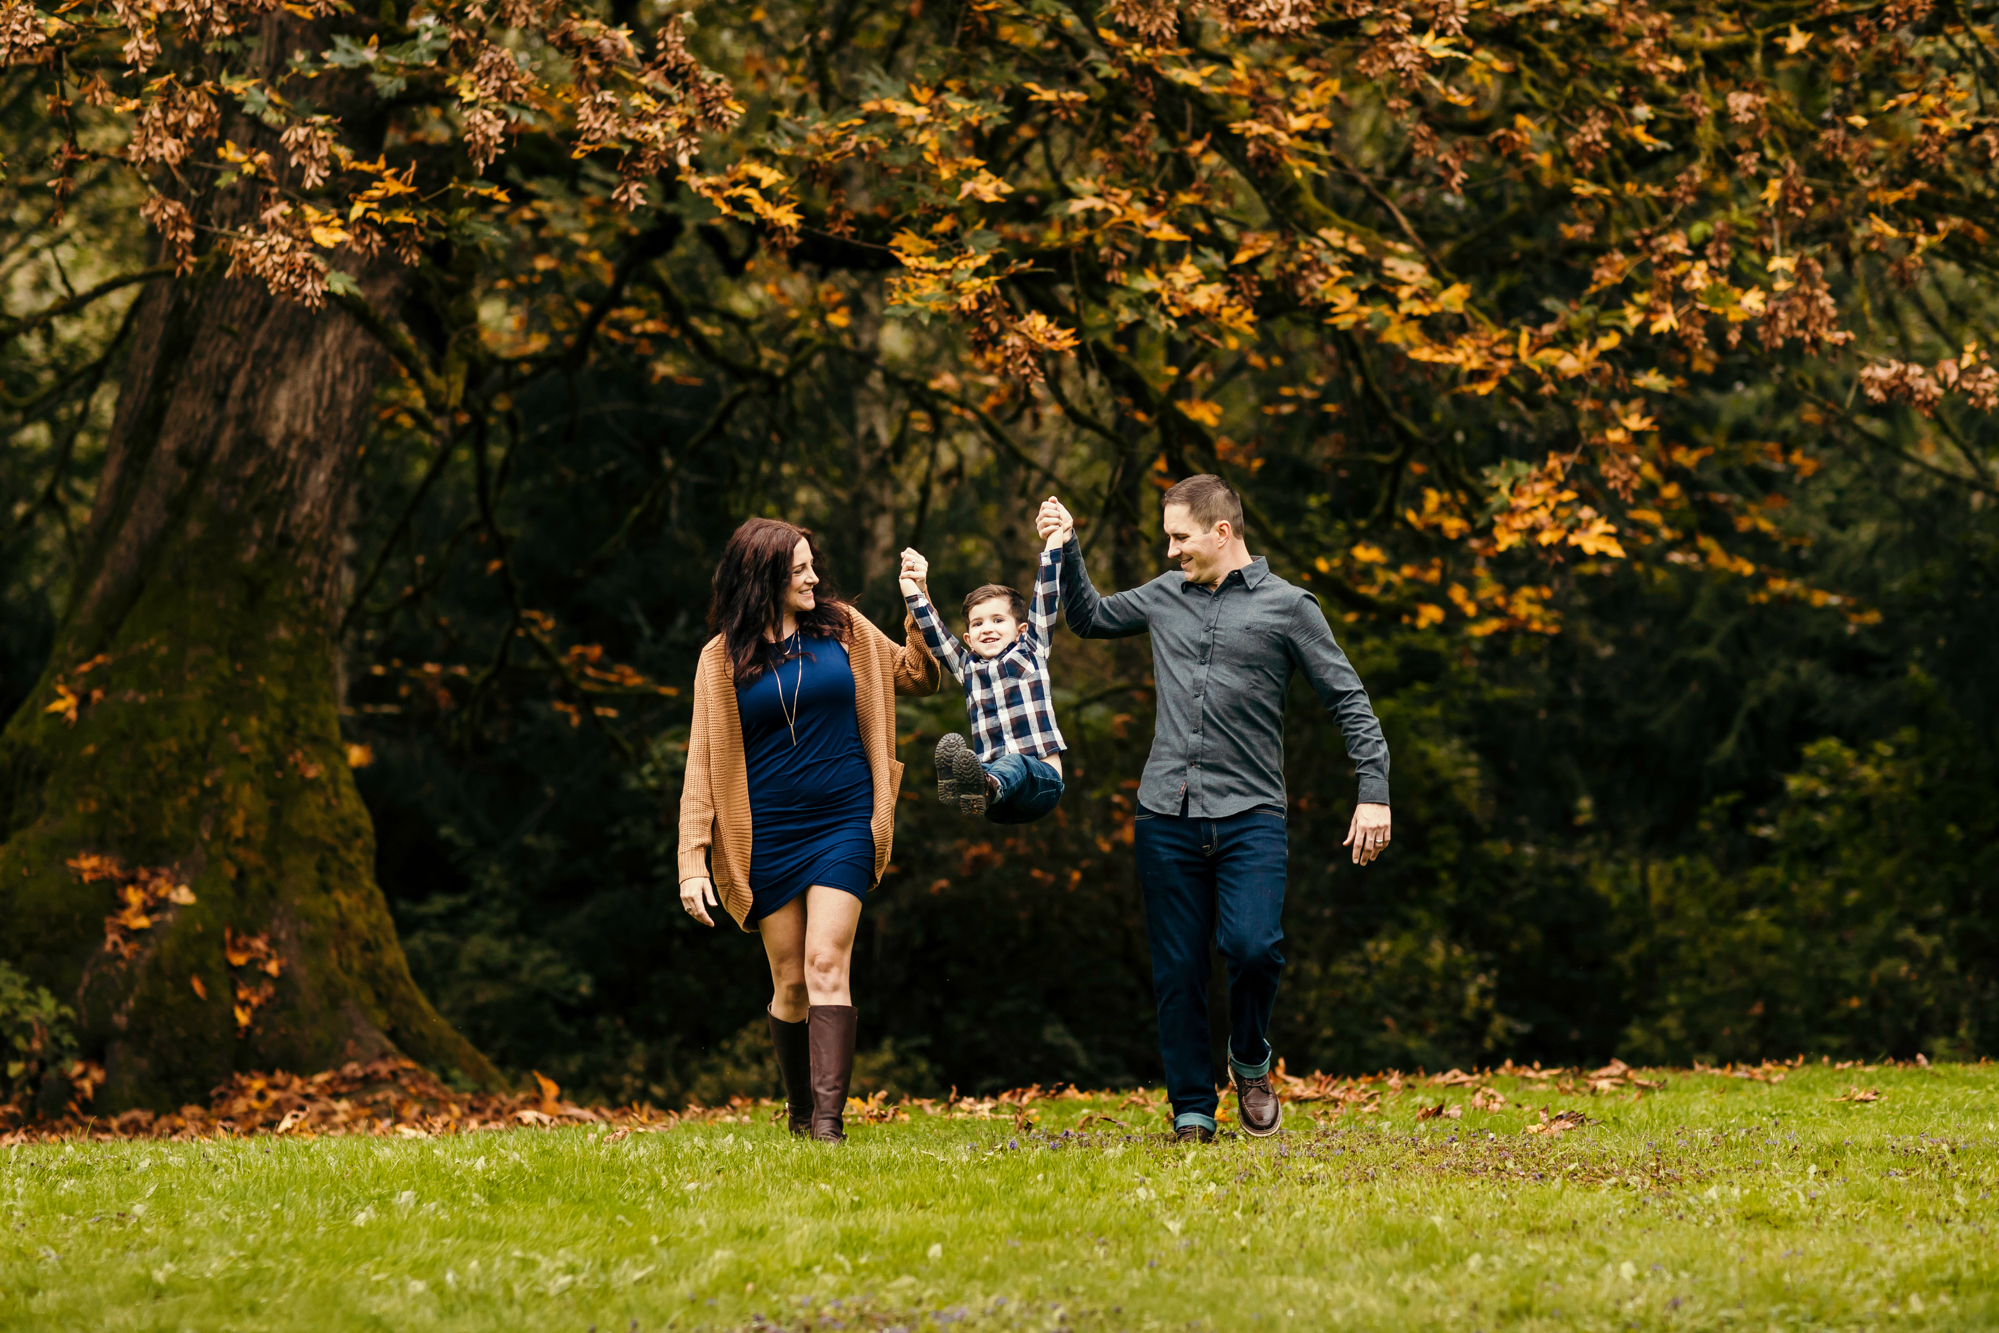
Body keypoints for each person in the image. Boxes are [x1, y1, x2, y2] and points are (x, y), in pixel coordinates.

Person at [1036, 478, 1392, 1144]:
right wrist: (1066, 546)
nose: (1170, 551)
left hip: (1249, 812)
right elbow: (1087, 618)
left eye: (1179, 537)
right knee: (1177, 968)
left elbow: (1349, 699)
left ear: (1220, 532)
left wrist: (1372, 790)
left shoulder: (1290, 607)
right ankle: (1192, 1108)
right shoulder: (1165, 596)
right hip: (1164, 813)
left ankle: (1250, 1057)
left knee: (1253, 948)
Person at [676, 519, 941, 1142]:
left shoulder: (843, 627)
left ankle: (828, 1126)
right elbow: (701, 763)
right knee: (791, 984)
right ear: (762, 576)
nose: (814, 577)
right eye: (799, 570)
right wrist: (693, 861)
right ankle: (800, 1114)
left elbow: (919, 676)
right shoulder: (719, 660)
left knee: (827, 960)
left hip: (845, 819)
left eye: (811, 565)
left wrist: (917, 606)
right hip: (766, 834)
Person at [897, 528, 1067, 824]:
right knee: (974, 761)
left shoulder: (1031, 652)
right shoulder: (967, 669)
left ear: (1021, 629)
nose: (986, 628)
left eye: (998, 620)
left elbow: (1046, 594)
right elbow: (934, 633)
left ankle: (985, 786)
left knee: (1015, 764)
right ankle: (970, 789)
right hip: (999, 806)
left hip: (1041, 784)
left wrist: (1054, 540)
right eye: (977, 624)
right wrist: (913, 586)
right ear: (968, 638)